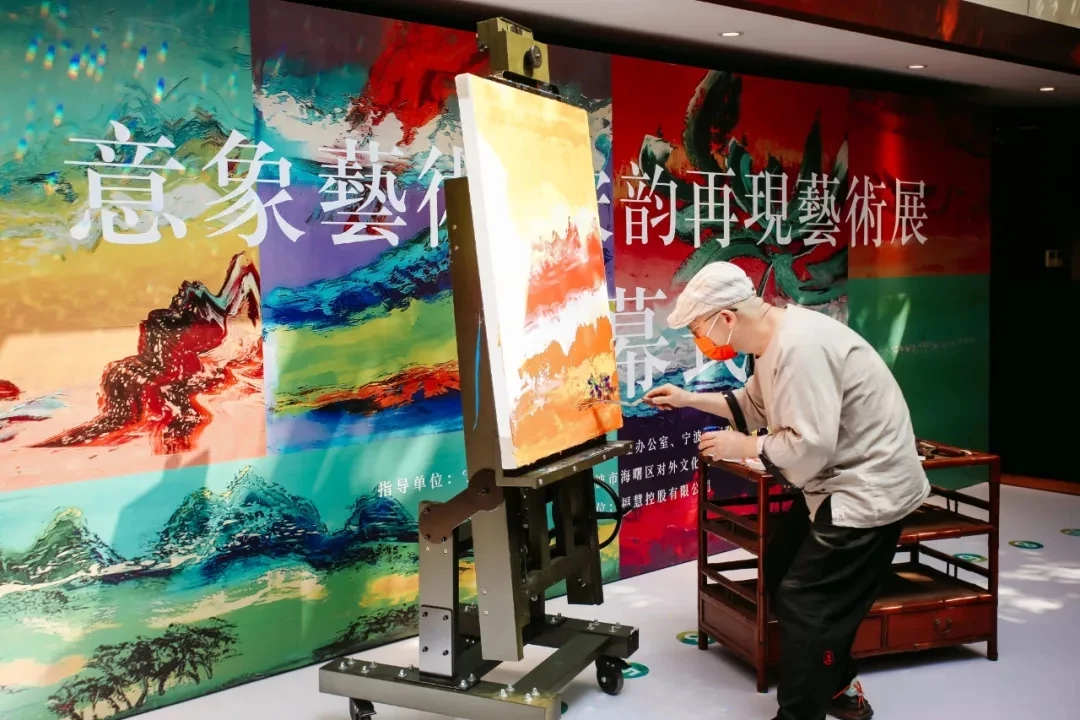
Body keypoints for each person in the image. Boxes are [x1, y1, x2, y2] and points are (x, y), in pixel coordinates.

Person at [644, 262, 930, 720]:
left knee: (806, 600)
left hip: (867, 488)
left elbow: (809, 445)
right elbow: (754, 404)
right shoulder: (774, 340)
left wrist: (744, 446)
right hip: (836, 480)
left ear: (727, 318)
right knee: (780, 567)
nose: (701, 341)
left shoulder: (799, 348)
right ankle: (838, 685)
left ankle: (800, 712)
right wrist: (688, 398)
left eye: (699, 330)